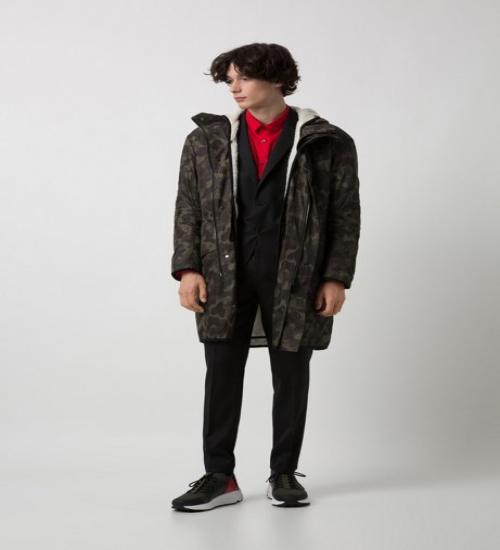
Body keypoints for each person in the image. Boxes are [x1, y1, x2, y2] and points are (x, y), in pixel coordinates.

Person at [170, 42, 361, 511]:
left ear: (277, 78)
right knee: (221, 373)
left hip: (297, 272)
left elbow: (344, 214)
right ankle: (220, 477)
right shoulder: (206, 140)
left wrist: (335, 276)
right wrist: (189, 268)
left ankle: (284, 472)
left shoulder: (327, 141)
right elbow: (189, 208)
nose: (234, 88)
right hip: (223, 272)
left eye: (244, 78)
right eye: (229, 80)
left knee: (291, 372)